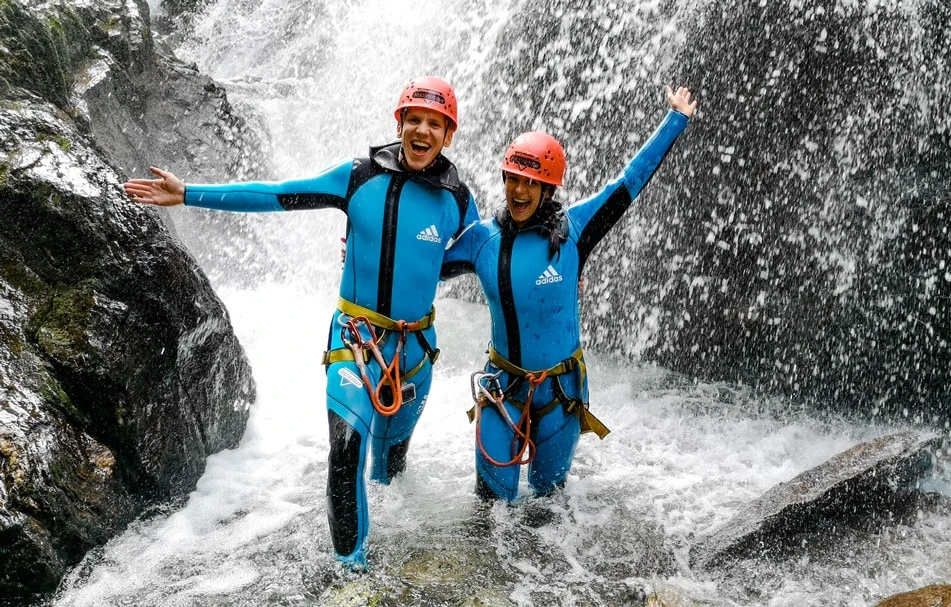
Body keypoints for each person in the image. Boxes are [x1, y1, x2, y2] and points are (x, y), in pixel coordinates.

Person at [123, 76, 480, 567]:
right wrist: (188, 193)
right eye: (413, 120)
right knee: (346, 448)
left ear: (448, 134)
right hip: (355, 341)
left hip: (415, 352)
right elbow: (277, 194)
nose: (422, 131)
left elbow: (490, 255)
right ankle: (351, 573)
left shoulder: (458, 198)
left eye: (434, 124)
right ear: (399, 124)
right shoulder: (358, 177)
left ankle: (395, 534)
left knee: (390, 467)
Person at [441, 85, 696, 502]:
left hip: (560, 394)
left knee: (546, 507)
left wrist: (675, 119)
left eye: (531, 182)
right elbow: (421, 268)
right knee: (488, 512)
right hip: (502, 387)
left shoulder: (577, 231)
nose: (519, 192)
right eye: (513, 180)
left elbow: (628, 183)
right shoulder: (482, 241)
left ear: (548, 189)